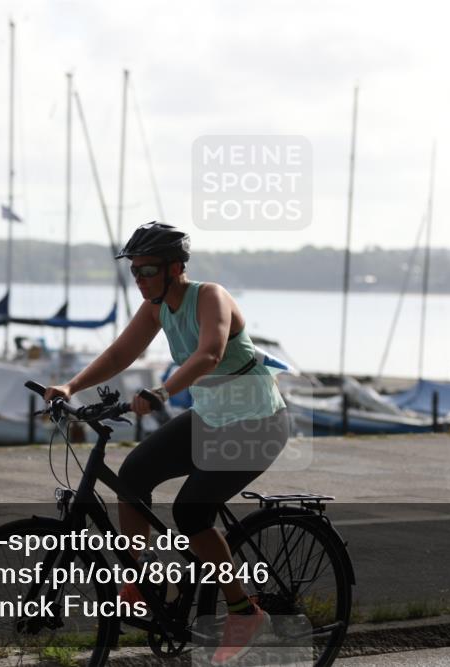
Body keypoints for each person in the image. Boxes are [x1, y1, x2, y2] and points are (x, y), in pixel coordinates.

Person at [44, 222, 289, 664]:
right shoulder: (157, 308)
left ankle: (243, 611)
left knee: (191, 511)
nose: (140, 279)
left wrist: (162, 393)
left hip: (257, 423)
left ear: (176, 268)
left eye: (148, 270)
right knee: (134, 473)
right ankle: (142, 581)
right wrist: (71, 386)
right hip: (213, 418)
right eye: (135, 272)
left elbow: (210, 352)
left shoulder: (209, 296)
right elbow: (120, 354)